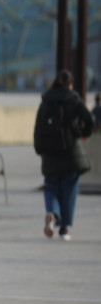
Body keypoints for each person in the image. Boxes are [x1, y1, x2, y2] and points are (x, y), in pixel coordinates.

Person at [35, 70, 94, 241]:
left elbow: (38, 128)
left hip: (49, 153)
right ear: (70, 84)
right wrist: (82, 132)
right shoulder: (73, 99)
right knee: (69, 188)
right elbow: (89, 119)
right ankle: (65, 229)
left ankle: (52, 214)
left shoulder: (45, 101)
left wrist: (40, 148)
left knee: (51, 186)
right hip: (71, 152)